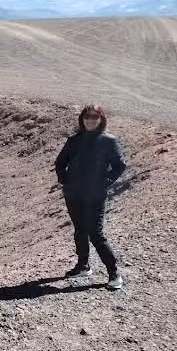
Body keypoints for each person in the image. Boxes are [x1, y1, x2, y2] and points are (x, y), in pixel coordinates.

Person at [54, 104, 126, 290]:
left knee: (96, 233)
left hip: (95, 195)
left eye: (94, 116)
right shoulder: (74, 140)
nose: (90, 119)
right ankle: (83, 266)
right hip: (74, 194)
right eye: (87, 116)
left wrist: (105, 182)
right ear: (82, 118)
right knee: (80, 230)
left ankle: (114, 274)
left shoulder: (108, 140)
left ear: (101, 119)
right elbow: (60, 162)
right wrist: (65, 180)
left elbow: (119, 165)